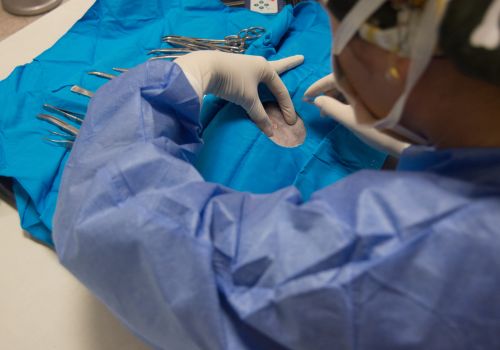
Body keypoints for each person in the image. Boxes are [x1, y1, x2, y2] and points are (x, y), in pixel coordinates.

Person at [52, 0, 500, 349]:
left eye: (338, 30)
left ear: (397, 56)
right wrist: (444, 143)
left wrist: (185, 75)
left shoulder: (390, 252)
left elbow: (118, 219)